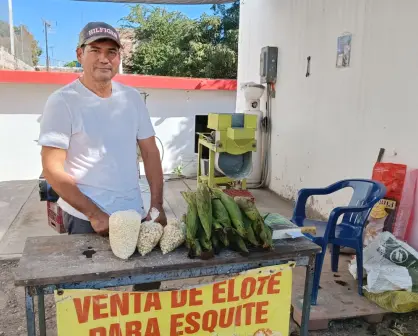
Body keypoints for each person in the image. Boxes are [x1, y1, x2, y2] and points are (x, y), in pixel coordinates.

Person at [38, 21, 167, 237]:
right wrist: (94, 214)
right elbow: (52, 168)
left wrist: (157, 205)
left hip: (134, 212)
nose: (104, 59)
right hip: (86, 220)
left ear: (119, 58)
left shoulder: (132, 98)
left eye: (111, 52)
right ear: (80, 54)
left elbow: (151, 152)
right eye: (95, 50)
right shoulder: (62, 101)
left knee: (135, 271)